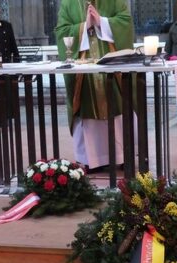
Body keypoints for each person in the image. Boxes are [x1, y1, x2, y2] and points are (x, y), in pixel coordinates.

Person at [55, 0, 134, 173]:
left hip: (112, 69)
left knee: (118, 107)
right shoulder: (69, 4)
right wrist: (84, 26)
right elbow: (61, 32)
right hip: (83, 76)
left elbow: (126, 22)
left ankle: (122, 156)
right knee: (86, 111)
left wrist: (102, 22)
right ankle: (90, 160)